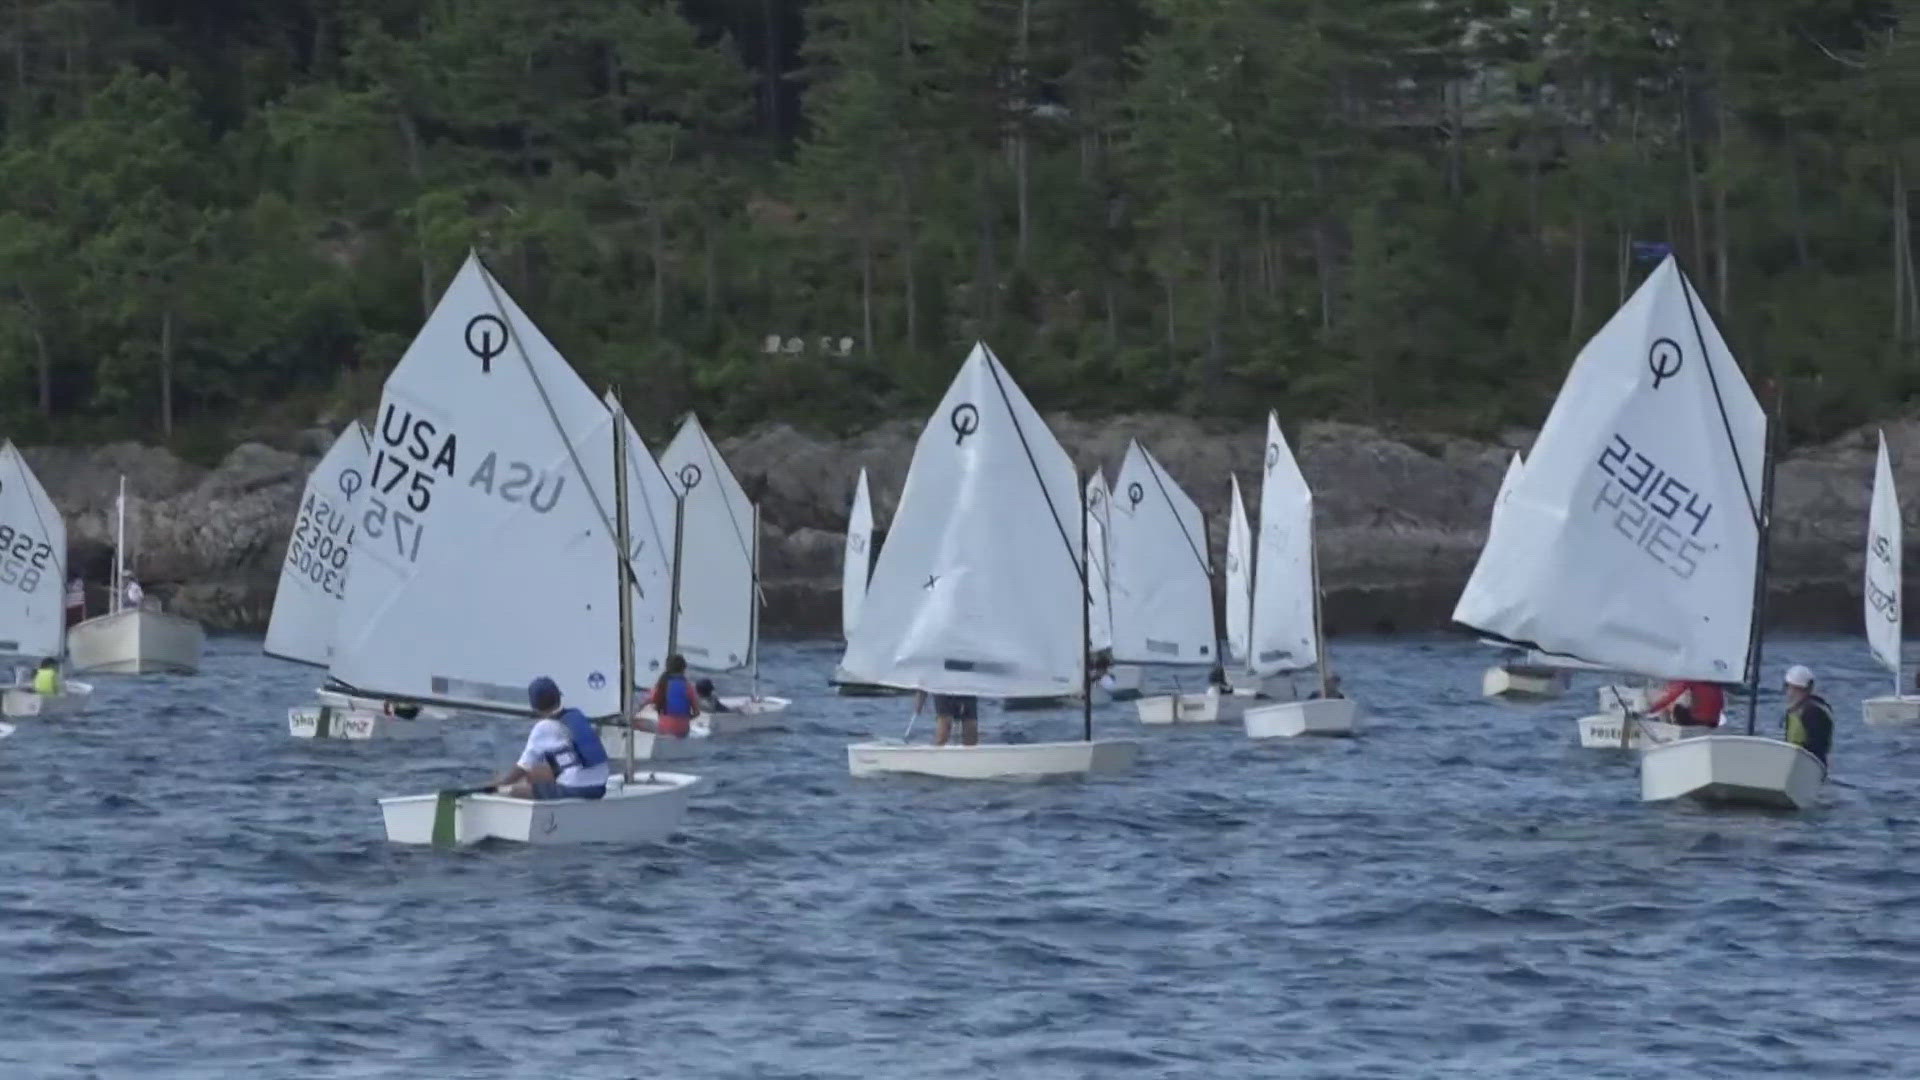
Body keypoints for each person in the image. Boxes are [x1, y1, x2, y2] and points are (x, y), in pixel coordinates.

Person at [489, 677, 608, 800]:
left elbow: (523, 767)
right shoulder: (576, 715)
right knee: (534, 774)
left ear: (534, 707)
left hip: (576, 789)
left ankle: (500, 790)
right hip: (600, 786)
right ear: (559, 696)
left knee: (513, 789)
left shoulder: (543, 728)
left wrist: (501, 784)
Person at [1782, 664, 1834, 768]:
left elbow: (1817, 745)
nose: (1788, 693)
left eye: (1789, 687)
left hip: (1808, 765)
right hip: (1798, 762)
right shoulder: (1797, 710)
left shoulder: (1812, 711)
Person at [646, 654, 700, 738]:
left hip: (665, 727)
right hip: (683, 728)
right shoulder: (688, 687)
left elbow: (653, 700)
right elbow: (697, 713)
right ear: (684, 669)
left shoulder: (662, 684)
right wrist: (685, 719)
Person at [1641, 679, 1725, 728]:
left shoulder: (1693, 679)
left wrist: (1652, 710)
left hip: (1694, 721)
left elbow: (1671, 696)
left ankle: (1666, 729)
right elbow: (1721, 704)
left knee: (1671, 705)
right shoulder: (1717, 684)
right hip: (1713, 723)